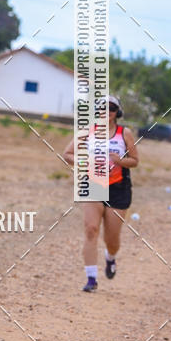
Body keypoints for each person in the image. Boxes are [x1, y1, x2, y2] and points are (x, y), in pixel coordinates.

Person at [63, 94, 138, 292]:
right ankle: (91, 279)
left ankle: (110, 258)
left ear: (117, 112)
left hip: (118, 187)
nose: (107, 111)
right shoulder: (87, 131)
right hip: (93, 185)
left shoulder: (125, 133)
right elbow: (67, 154)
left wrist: (120, 161)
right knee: (91, 229)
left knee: (111, 240)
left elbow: (135, 161)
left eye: (112, 108)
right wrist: (86, 162)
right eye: (103, 107)